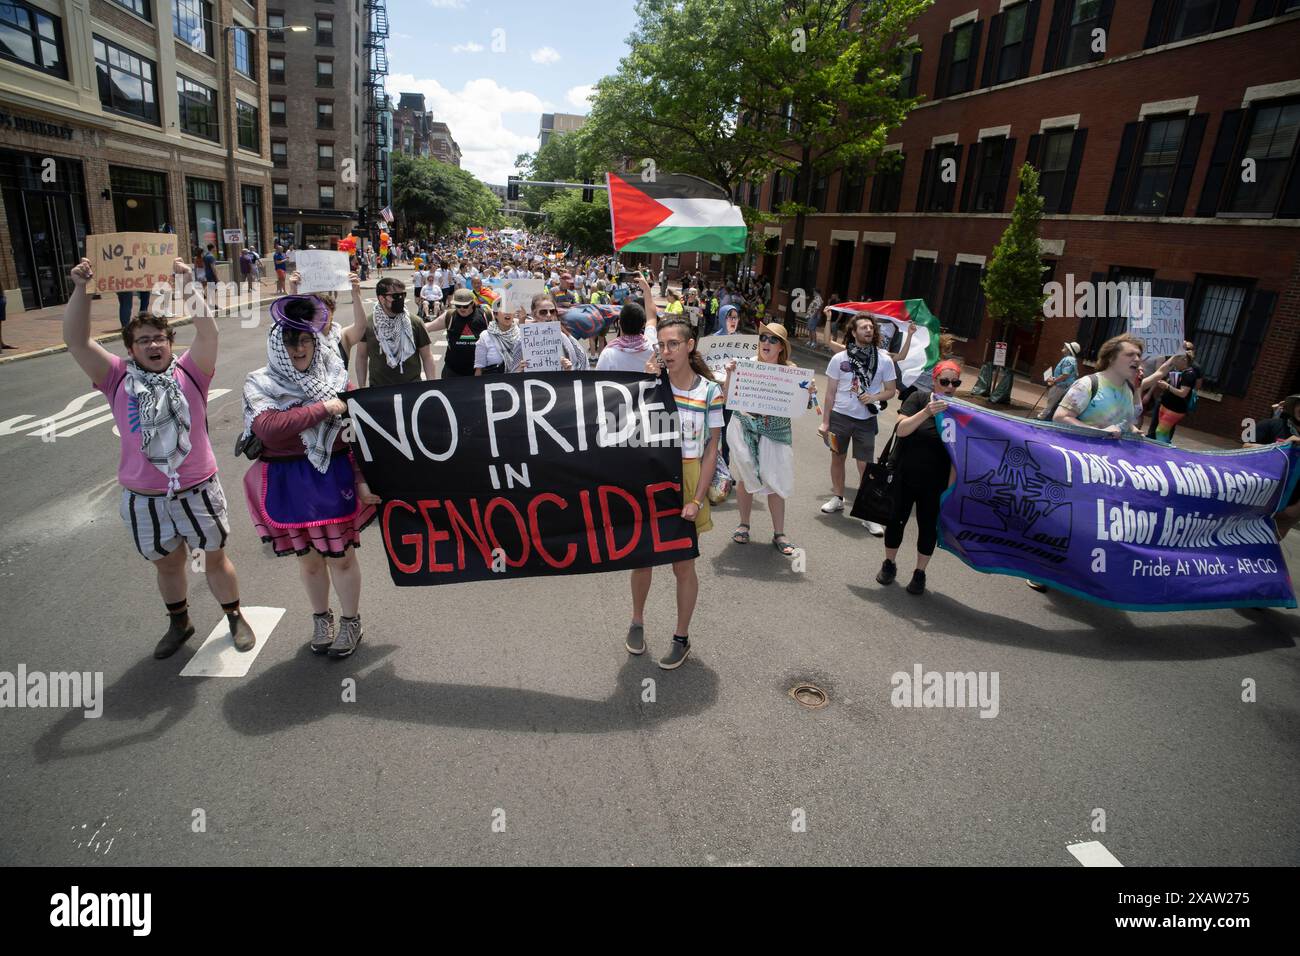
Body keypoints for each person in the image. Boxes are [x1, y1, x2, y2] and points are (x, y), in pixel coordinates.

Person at [62, 256, 255, 658]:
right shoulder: (115, 378)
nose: (153, 345)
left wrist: (187, 284)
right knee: (168, 564)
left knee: (213, 559)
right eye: (143, 340)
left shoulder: (192, 372)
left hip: (197, 490)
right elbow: (77, 342)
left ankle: (234, 616)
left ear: (170, 342)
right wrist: (81, 288)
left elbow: (208, 330)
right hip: (143, 498)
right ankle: (179, 621)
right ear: (131, 349)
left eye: (159, 338)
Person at [242, 296, 380, 658]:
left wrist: (363, 477)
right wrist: (322, 408)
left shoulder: (335, 377)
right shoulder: (260, 382)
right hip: (287, 481)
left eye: (305, 340)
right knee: (309, 559)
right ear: (277, 344)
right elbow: (269, 429)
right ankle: (322, 617)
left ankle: (351, 621)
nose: (298, 348)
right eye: (289, 340)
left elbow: (357, 433)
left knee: (342, 557)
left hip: (332, 475)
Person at [627, 316, 723, 670]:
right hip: (651, 476)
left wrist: (697, 499)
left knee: (683, 565)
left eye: (673, 344)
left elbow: (712, 449)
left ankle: (681, 637)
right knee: (642, 558)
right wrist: (647, 384)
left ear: (689, 346)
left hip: (687, 475)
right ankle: (637, 621)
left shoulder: (710, 392)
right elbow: (630, 430)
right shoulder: (651, 384)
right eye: (662, 345)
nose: (666, 352)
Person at [876, 361, 961, 596]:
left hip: (935, 484)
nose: (949, 387)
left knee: (927, 529)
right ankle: (889, 564)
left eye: (955, 383)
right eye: (944, 381)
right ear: (934, 381)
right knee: (896, 522)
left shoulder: (960, 412)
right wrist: (927, 412)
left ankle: (919, 573)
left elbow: (958, 456)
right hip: (904, 475)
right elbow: (901, 429)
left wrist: (951, 489)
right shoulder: (918, 399)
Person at [723, 323, 802, 556]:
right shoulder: (746, 364)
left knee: (775, 481)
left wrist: (808, 390)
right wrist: (729, 374)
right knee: (745, 477)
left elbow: (801, 404)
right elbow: (728, 397)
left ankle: (779, 533)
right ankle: (744, 524)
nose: (766, 343)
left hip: (775, 432)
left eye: (772, 340)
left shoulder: (791, 370)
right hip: (745, 427)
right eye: (763, 338)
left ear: (781, 348)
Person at [818, 314, 897, 536]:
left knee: (866, 466)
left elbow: (891, 391)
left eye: (871, 327)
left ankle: (867, 514)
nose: (868, 330)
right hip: (840, 417)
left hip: (866, 421)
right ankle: (838, 498)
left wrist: (873, 397)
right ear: (853, 332)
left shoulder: (883, 360)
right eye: (863, 327)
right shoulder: (839, 358)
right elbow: (830, 393)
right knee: (837, 457)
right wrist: (825, 422)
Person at [356, 278, 437, 387]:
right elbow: (361, 357)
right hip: (378, 391)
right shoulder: (368, 324)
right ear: (381, 298)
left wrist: (431, 386)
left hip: (411, 390)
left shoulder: (415, 322)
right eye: (395, 296)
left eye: (403, 295)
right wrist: (361, 387)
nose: (400, 299)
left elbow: (427, 356)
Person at [1246, 394, 1300, 538]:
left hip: (1291, 505)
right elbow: (1245, 448)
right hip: (1258, 497)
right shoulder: (1270, 425)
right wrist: (1282, 446)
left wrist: (1296, 509)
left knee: (1269, 544)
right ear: (1294, 406)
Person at [426, 287, 490, 377]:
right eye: (458, 306)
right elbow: (427, 327)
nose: (461, 309)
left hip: (480, 371)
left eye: (465, 306)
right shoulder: (449, 316)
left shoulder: (485, 316)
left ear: (472, 303)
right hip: (453, 371)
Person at [520, 292, 588, 371]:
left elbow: (580, 365)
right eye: (543, 312)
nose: (549, 315)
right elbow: (512, 373)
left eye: (552, 311)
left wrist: (568, 369)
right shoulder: (524, 338)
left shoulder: (563, 337)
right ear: (534, 315)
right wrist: (520, 370)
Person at [1147, 350, 1199, 444]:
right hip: (1166, 405)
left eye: (1176, 358)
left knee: (1160, 431)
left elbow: (1183, 393)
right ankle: (1165, 450)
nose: (1173, 361)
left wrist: (1167, 386)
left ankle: (1162, 452)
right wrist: (1166, 383)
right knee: (1163, 432)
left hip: (1175, 409)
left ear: (1184, 360)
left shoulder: (1189, 374)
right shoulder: (1179, 371)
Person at [596, 300, 654, 372]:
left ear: (619, 323)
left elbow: (599, 379)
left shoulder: (608, 354)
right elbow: (652, 319)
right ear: (643, 325)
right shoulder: (652, 350)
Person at [473, 301, 522, 375]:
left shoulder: (522, 334)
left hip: (519, 382)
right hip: (493, 383)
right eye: (504, 310)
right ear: (495, 314)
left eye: (510, 310)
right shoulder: (485, 336)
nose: (508, 313)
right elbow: (479, 369)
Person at [1039, 341, 1081, 420]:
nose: (1064, 347)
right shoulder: (1071, 359)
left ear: (1069, 350)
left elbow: (1065, 375)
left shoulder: (1068, 360)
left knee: (1051, 405)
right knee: (1053, 405)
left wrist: (1054, 380)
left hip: (1060, 386)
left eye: (1066, 347)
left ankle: (1041, 419)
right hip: (1062, 386)